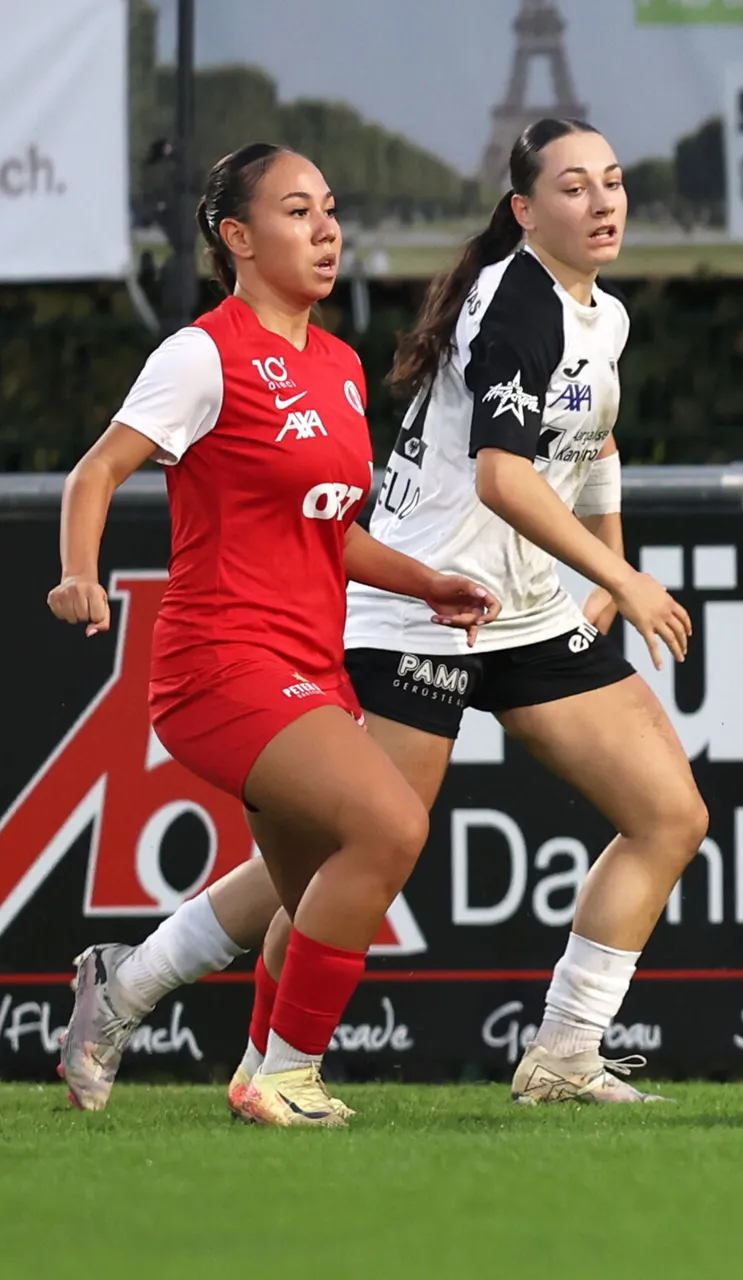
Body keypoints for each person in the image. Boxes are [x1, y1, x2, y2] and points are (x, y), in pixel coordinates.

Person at [59, 119, 707, 1114]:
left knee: (669, 813)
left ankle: (566, 1052)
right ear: (525, 211)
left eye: (614, 181)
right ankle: (210, 1027)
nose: (606, 200)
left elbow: (595, 439)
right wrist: (623, 583)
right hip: (420, 611)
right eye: (576, 186)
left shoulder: (595, 318)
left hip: (516, 609)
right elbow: (501, 475)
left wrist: (607, 557)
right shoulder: (514, 301)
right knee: (345, 856)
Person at [51, 143, 499, 1127]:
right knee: (389, 826)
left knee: (312, 901)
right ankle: (284, 1073)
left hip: (309, 667)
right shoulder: (202, 353)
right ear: (238, 237)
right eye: (299, 211)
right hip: (220, 666)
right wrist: (79, 573)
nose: (327, 227)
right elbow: (95, 473)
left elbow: (327, 529)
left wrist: (427, 581)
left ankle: (124, 989)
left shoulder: (337, 366)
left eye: (331, 208)